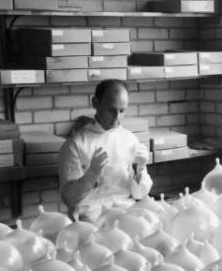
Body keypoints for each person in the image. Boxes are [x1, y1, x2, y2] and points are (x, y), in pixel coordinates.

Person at [58, 79, 152, 222]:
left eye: (122, 111)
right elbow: (69, 199)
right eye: (111, 110)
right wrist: (92, 174)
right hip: (92, 216)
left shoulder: (130, 139)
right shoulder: (75, 145)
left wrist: (139, 170)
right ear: (95, 103)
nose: (117, 117)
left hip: (125, 211)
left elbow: (139, 195)